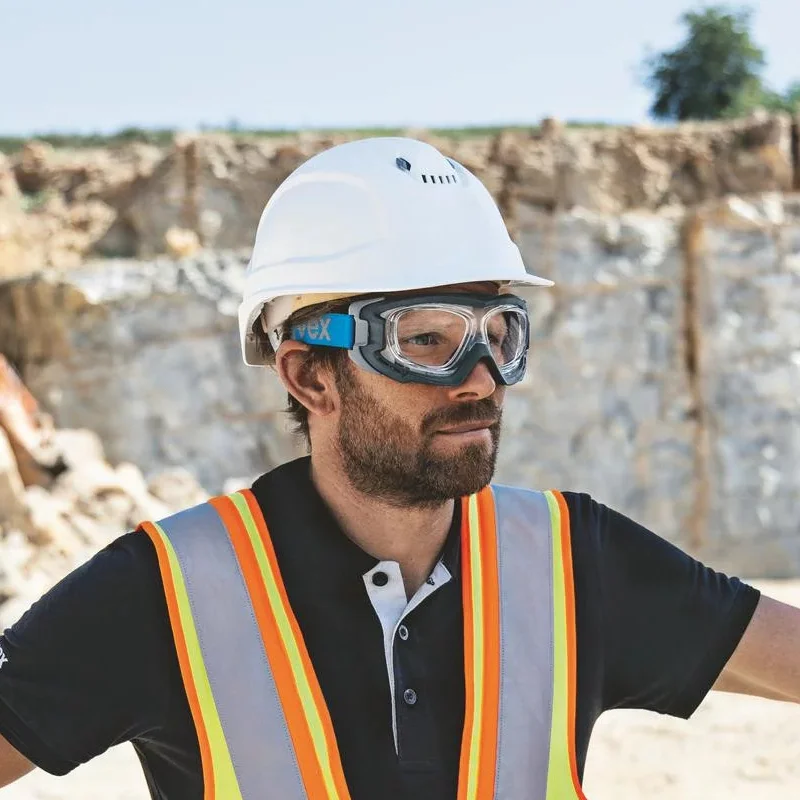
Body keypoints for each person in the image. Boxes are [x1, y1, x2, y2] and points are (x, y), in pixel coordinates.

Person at [0, 137, 797, 800]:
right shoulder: (169, 590)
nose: (481, 376)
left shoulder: (570, 561)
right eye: (427, 339)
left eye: (500, 333)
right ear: (310, 376)